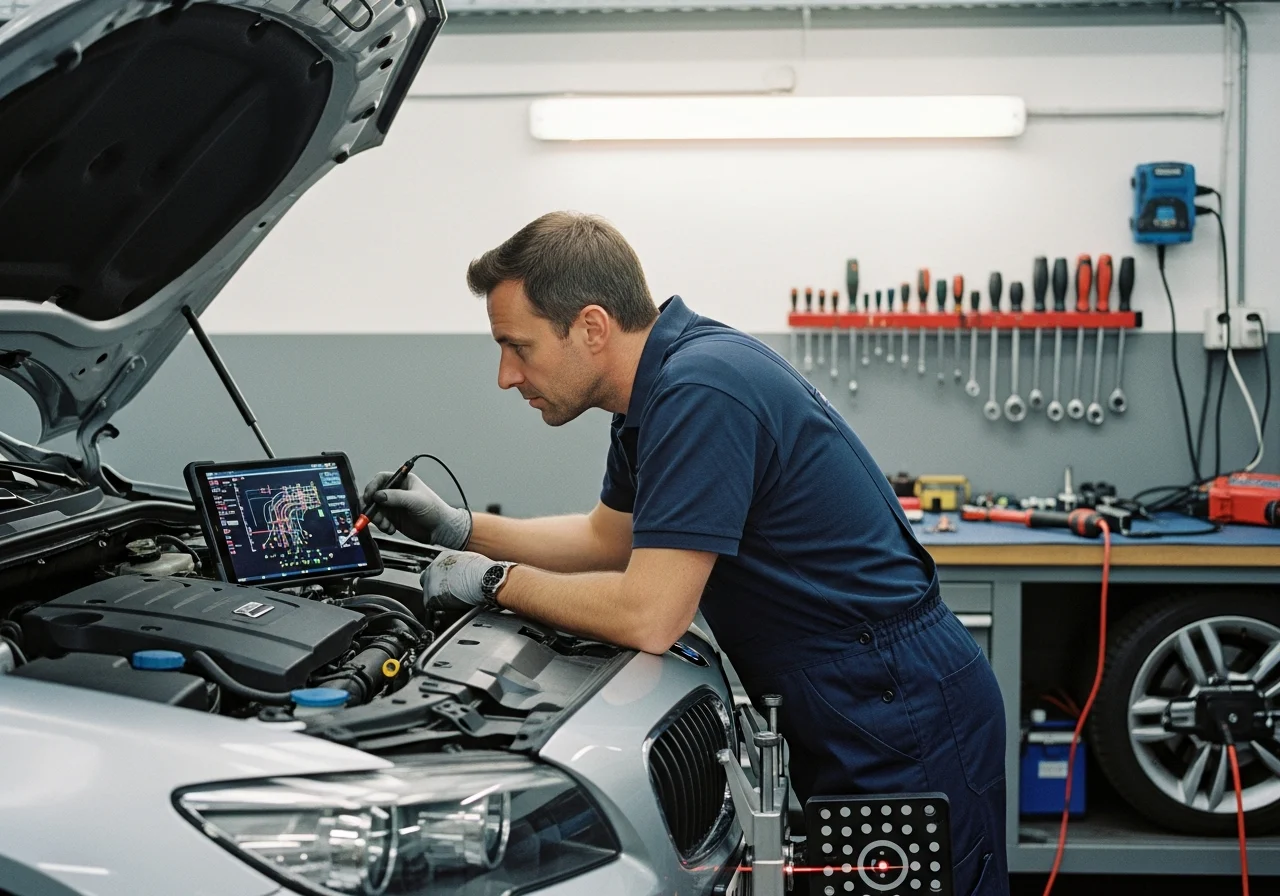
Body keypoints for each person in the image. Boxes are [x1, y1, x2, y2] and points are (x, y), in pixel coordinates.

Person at [362, 211, 1008, 896]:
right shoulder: (651, 394)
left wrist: (492, 581)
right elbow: (606, 539)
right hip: (854, 696)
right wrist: (459, 529)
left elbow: (650, 615)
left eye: (517, 346)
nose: (505, 375)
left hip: (896, 704)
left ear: (591, 327)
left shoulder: (699, 392)